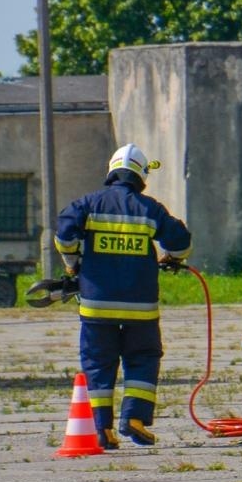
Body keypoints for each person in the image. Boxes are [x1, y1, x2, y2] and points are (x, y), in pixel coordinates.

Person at [54, 143, 192, 448]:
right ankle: (134, 418)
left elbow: (64, 234)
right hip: (140, 307)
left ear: (111, 170)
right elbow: (181, 241)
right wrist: (171, 257)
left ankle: (102, 429)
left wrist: (73, 263)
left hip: (96, 306)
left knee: (98, 361)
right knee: (143, 357)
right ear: (140, 175)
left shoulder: (88, 204)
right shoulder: (150, 208)